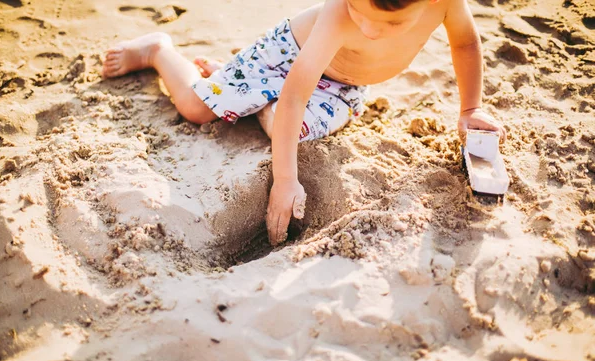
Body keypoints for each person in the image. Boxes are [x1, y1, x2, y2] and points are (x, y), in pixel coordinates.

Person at [102, 0, 506, 246]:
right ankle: (158, 51)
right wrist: (285, 180)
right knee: (196, 108)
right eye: (357, 10)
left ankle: (249, 97)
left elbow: (465, 44)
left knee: (291, 128)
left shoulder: (448, 3)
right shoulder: (338, 12)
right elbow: (295, 92)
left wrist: (470, 109)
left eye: (390, 25)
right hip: (284, 59)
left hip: (343, 86)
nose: (367, 29)